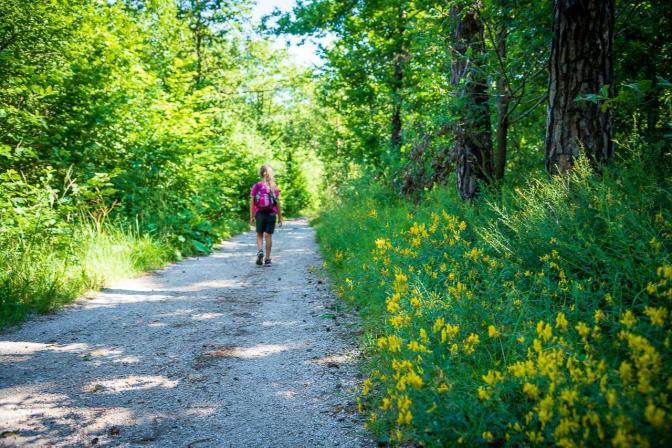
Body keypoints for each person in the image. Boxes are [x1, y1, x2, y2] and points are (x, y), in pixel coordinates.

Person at [250, 164, 283, 266]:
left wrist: (251, 216)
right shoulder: (274, 187)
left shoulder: (257, 186)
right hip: (271, 214)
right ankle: (267, 258)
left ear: (261, 174)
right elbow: (277, 203)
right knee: (268, 236)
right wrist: (280, 217)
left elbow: (252, 202)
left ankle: (260, 251)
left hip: (259, 213)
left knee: (259, 234)